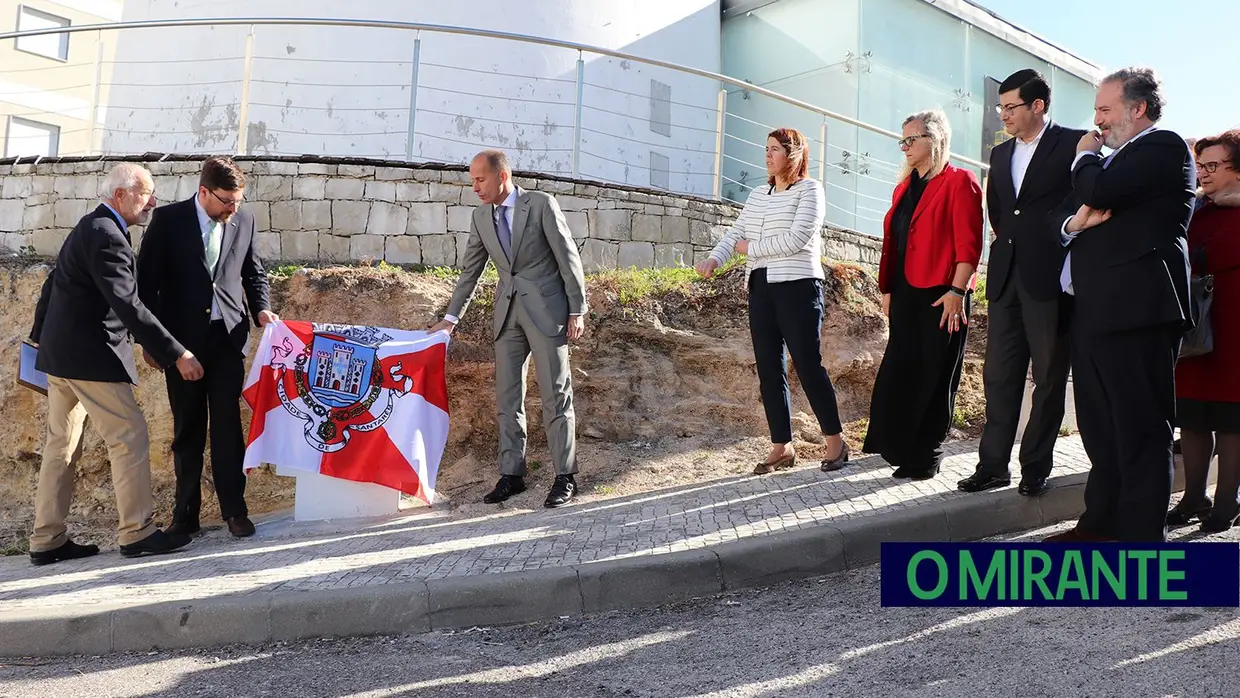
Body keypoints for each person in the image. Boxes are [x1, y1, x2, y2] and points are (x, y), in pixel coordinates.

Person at [1046, 67, 1195, 543]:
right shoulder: (1113, 163)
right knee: (1101, 429)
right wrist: (1075, 223)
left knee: (1141, 429)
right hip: (1093, 309)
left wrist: (1084, 160)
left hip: (1138, 310)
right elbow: (1060, 217)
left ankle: (1139, 541)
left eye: (1105, 109)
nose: (1097, 120)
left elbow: (1099, 192)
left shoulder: (1163, 147)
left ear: (1138, 109)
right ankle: (1100, 525)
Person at [27, 163, 202, 565]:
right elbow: (128, 304)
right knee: (129, 436)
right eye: (146, 194)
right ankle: (137, 531)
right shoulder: (107, 236)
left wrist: (40, 340)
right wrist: (178, 352)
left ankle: (46, 538)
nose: (153, 202)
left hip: (61, 357)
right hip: (91, 358)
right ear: (120, 195)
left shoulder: (89, 226)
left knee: (61, 447)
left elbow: (53, 285)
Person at [430, 150, 587, 508]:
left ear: (502, 176)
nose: (474, 187)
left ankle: (565, 476)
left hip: (548, 312)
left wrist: (577, 309)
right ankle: (512, 474)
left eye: (480, 179)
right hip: (508, 315)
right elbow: (471, 271)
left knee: (555, 394)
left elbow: (568, 256)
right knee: (507, 397)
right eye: (472, 180)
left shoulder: (541, 204)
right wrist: (450, 319)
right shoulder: (481, 217)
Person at [958, 69, 1085, 497]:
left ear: (1038, 106)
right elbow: (999, 211)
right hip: (1006, 276)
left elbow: (1081, 201)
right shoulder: (1000, 154)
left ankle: (1036, 465)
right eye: (1000, 107)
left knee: (1048, 377)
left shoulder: (1075, 144)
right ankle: (992, 466)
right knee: (999, 376)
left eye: (1010, 107)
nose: (1003, 116)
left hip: (1051, 277)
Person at [136, 156, 277, 539]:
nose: (233, 209)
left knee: (229, 429)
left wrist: (262, 309)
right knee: (188, 430)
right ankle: (185, 517)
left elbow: (254, 273)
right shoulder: (168, 222)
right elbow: (144, 285)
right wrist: (152, 342)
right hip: (182, 344)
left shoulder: (244, 221)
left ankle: (235, 511)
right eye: (225, 201)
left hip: (228, 341)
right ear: (203, 192)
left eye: (237, 201)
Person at [695, 127, 849, 474]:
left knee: (808, 365)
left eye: (775, 149)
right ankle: (782, 445)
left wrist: (753, 249)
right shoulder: (758, 194)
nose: (767, 155)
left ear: (792, 154)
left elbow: (797, 238)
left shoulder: (810, 190)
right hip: (761, 286)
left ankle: (836, 442)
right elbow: (736, 232)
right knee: (769, 368)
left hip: (798, 285)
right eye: (766, 149)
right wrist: (716, 258)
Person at [863, 107, 984, 480]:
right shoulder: (903, 187)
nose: (905, 147)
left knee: (935, 373)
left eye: (911, 139)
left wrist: (956, 291)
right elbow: (895, 242)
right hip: (905, 294)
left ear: (936, 140)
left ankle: (928, 453)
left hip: (941, 295)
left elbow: (970, 244)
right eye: (903, 140)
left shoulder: (960, 181)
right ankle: (902, 447)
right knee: (901, 374)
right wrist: (887, 289)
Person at [1165, 130, 1240, 532]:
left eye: (1212, 165)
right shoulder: (1195, 208)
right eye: (1200, 165)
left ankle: (1227, 503)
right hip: (1195, 326)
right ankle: (1194, 496)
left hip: (1234, 330)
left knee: (1232, 419)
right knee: (1192, 413)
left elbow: (1210, 254)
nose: (1203, 173)